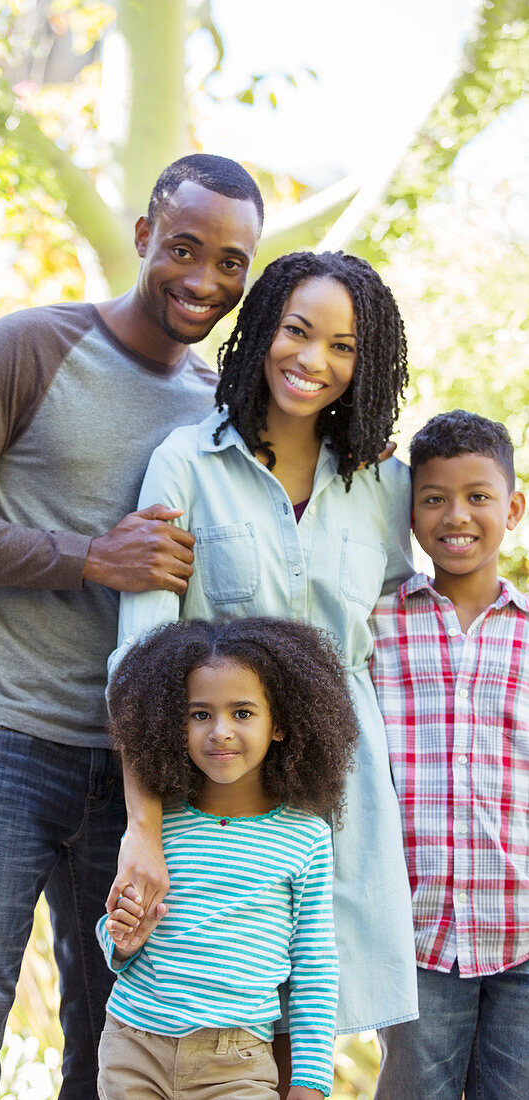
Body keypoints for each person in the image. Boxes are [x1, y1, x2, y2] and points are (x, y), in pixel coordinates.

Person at [0, 154, 263, 1100]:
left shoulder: (218, 407)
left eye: (230, 263)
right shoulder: (30, 347)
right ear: (142, 237)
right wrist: (88, 555)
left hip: (138, 777)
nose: (204, 280)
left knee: (113, 1054)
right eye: (183, 248)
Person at [108, 251, 420, 1075]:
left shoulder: (384, 485)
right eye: (296, 331)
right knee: (210, 1022)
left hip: (340, 797)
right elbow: (137, 663)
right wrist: (143, 829)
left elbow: (407, 622)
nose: (314, 361)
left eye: (344, 346)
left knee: (311, 1031)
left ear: (367, 363)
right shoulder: (184, 463)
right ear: (262, 331)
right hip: (215, 801)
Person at [98, 616, 358, 1099]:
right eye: (200, 714)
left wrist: (311, 1081)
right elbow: (116, 932)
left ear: (279, 725)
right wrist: (121, 939)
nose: (220, 731)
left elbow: (314, 966)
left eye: (242, 713)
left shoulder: (305, 838)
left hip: (236, 1062)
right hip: (133, 1046)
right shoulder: (158, 826)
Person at [369, 409, 528, 1100]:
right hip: (414, 939)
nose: (454, 515)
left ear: (513, 508)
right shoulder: (374, 626)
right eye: (432, 498)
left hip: (522, 934)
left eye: (476, 496)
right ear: (408, 514)